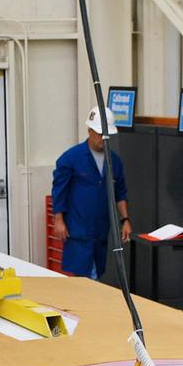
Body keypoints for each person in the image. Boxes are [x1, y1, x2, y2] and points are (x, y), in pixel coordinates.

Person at [50, 106, 130, 279]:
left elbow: (120, 192)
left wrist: (125, 219)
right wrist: (59, 220)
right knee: (85, 276)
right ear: (89, 131)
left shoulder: (114, 162)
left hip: (100, 231)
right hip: (78, 231)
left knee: (96, 274)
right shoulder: (71, 159)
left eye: (106, 135)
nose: (103, 139)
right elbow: (59, 190)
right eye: (99, 134)